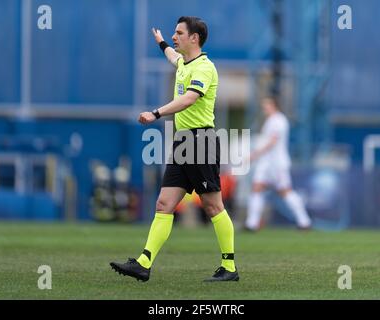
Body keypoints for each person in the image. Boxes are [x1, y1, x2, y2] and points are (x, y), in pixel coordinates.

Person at [110, 16, 239, 282]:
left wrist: (156, 113)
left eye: (179, 33)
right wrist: (160, 43)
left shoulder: (204, 68)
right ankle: (144, 263)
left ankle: (229, 267)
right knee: (163, 203)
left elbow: (190, 98)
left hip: (201, 141)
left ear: (195, 38)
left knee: (213, 206)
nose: (174, 36)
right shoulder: (183, 62)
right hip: (183, 142)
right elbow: (171, 56)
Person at [244, 97, 312, 231]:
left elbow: (273, 142)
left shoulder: (279, 120)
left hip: (277, 163)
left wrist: (255, 154)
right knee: (257, 187)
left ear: (274, 105)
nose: (264, 108)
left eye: (267, 105)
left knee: (285, 191)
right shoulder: (270, 121)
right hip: (267, 163)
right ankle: (251, 223)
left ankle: (304, 222)